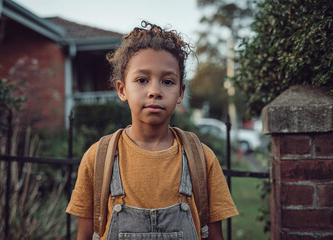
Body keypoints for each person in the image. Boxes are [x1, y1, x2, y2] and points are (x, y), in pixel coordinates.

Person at [66, 21, 238, 240]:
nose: (154, 91)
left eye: (167, 81)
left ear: (180, 93)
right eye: (142, 80)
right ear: (122, 90)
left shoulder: (202, 159)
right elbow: (84, 235)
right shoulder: (98, 158)